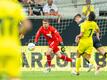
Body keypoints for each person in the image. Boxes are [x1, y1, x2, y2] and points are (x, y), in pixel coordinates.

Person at [0, 0, 26, 80]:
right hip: (13, 46)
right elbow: (27, 24)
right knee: (14, 77)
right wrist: (18, 33)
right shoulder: (16, 7)